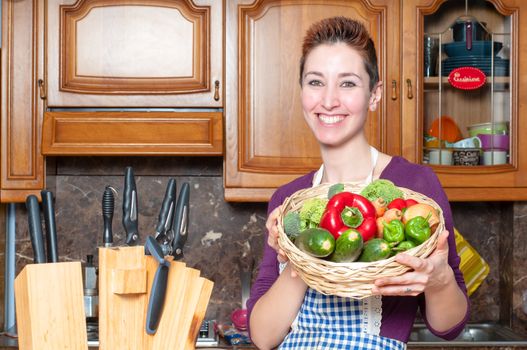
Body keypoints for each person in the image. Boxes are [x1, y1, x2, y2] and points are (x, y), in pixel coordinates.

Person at [247, 17, 470, 349]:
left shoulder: (414, 186)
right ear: (302, 92)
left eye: (348, 83)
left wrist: (438, 280)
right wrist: (298, 257)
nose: (328, 100)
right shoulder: (290, 200)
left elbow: (448, 327)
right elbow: (263, 338)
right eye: (315, 82)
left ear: (374, 94)